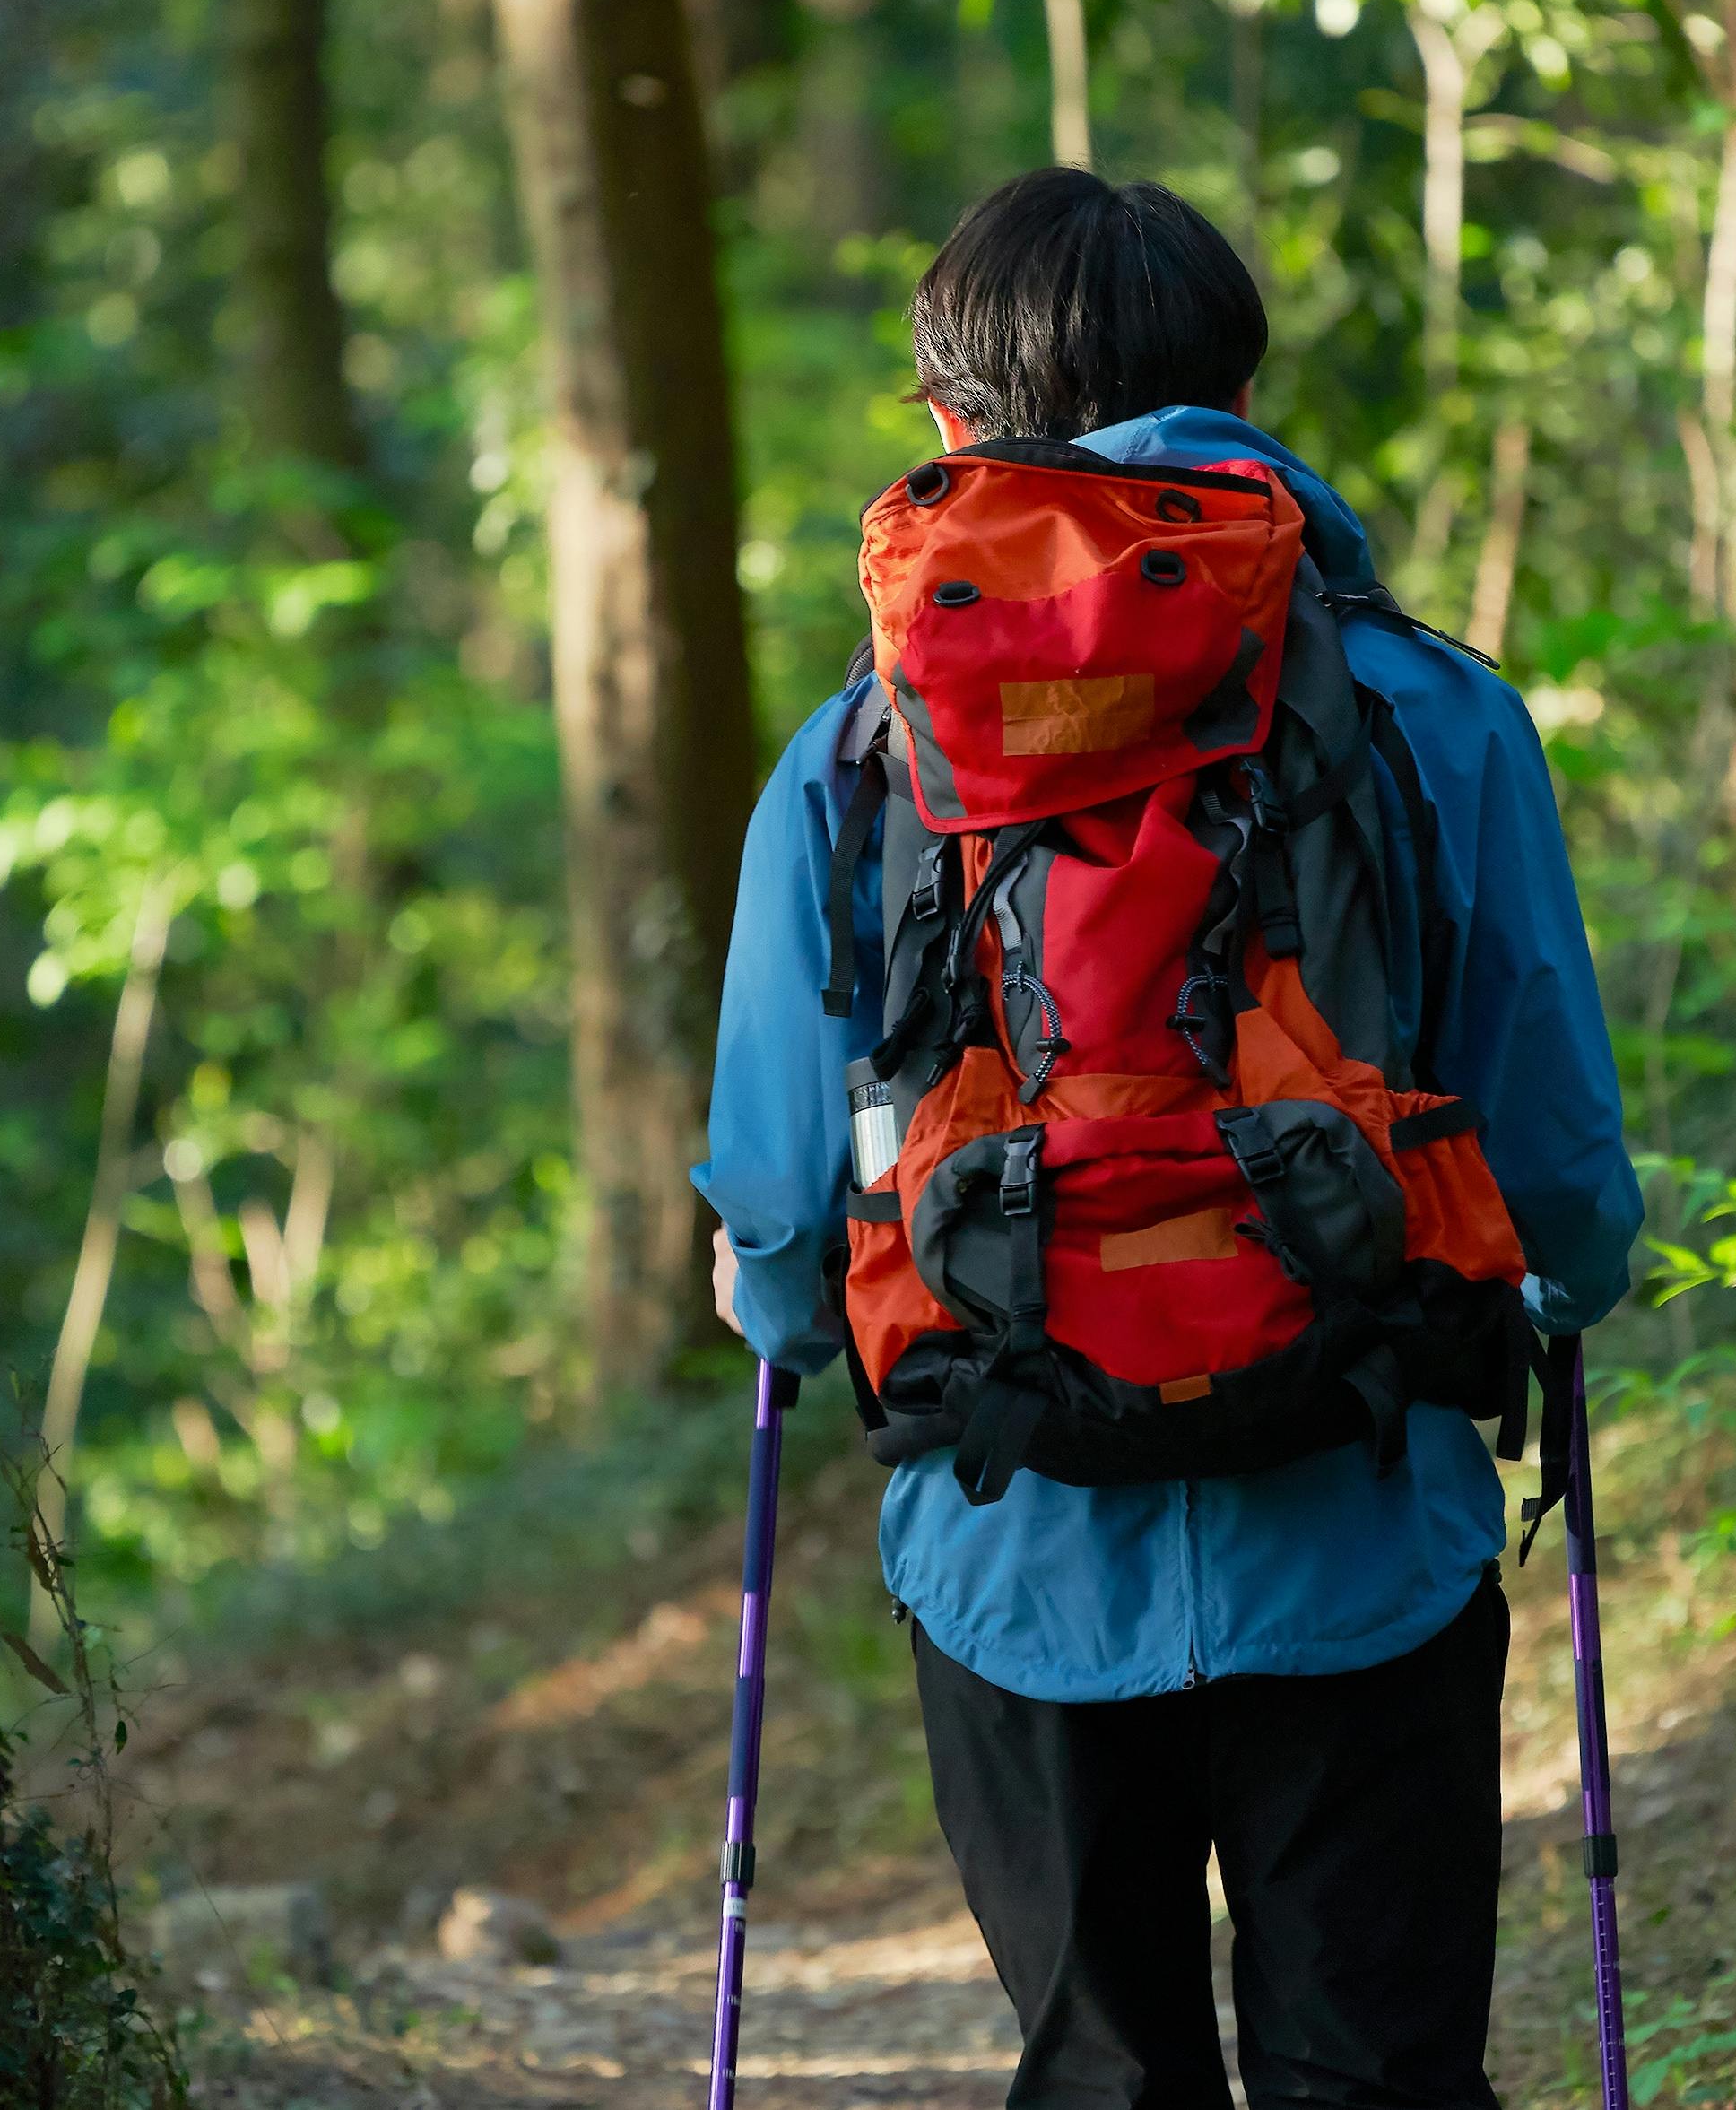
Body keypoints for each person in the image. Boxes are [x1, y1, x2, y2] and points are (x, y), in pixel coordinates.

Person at [695, 166, 1640, 2110]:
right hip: (1362, 1497)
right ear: (1235, 392)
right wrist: (1551, 1282)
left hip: (1013, 1535)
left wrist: (783, 1305)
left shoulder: (858, 752)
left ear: (955, 425)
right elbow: (1552, 1161)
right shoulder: (1430, 711)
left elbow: (783, 1219)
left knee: (1107, 2069)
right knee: (1371, 2073)